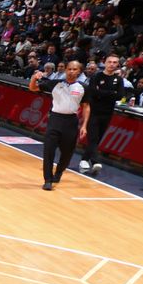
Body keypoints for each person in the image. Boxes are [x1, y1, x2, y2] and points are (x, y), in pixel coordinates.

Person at [28, 61, 90, 190]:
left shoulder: (83, 87)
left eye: (74, 69)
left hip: (71, 121)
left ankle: (59, 172)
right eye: (69, 69)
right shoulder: (55, 83)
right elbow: (33, 88)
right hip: (55, 119)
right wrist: (34, 78)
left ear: (79, 71)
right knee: (49, 150)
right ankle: (48, 179)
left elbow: (86, 106)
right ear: (66, 70)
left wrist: (84, 125)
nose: (71, 71)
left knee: (67, 153)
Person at [78, 54, 125, 176]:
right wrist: (110, 93)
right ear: (105, 62)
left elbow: (120, 95)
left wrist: (102, 93)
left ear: (118, 64)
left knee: (97, 138)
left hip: (108, 113)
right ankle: (95, 161)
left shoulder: (119, 80)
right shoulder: (96, 76)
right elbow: (93, 92)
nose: (112, 64)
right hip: (93, 112)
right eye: (110, 62)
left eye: (115, 62)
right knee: (92, 137)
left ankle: (84, 160)